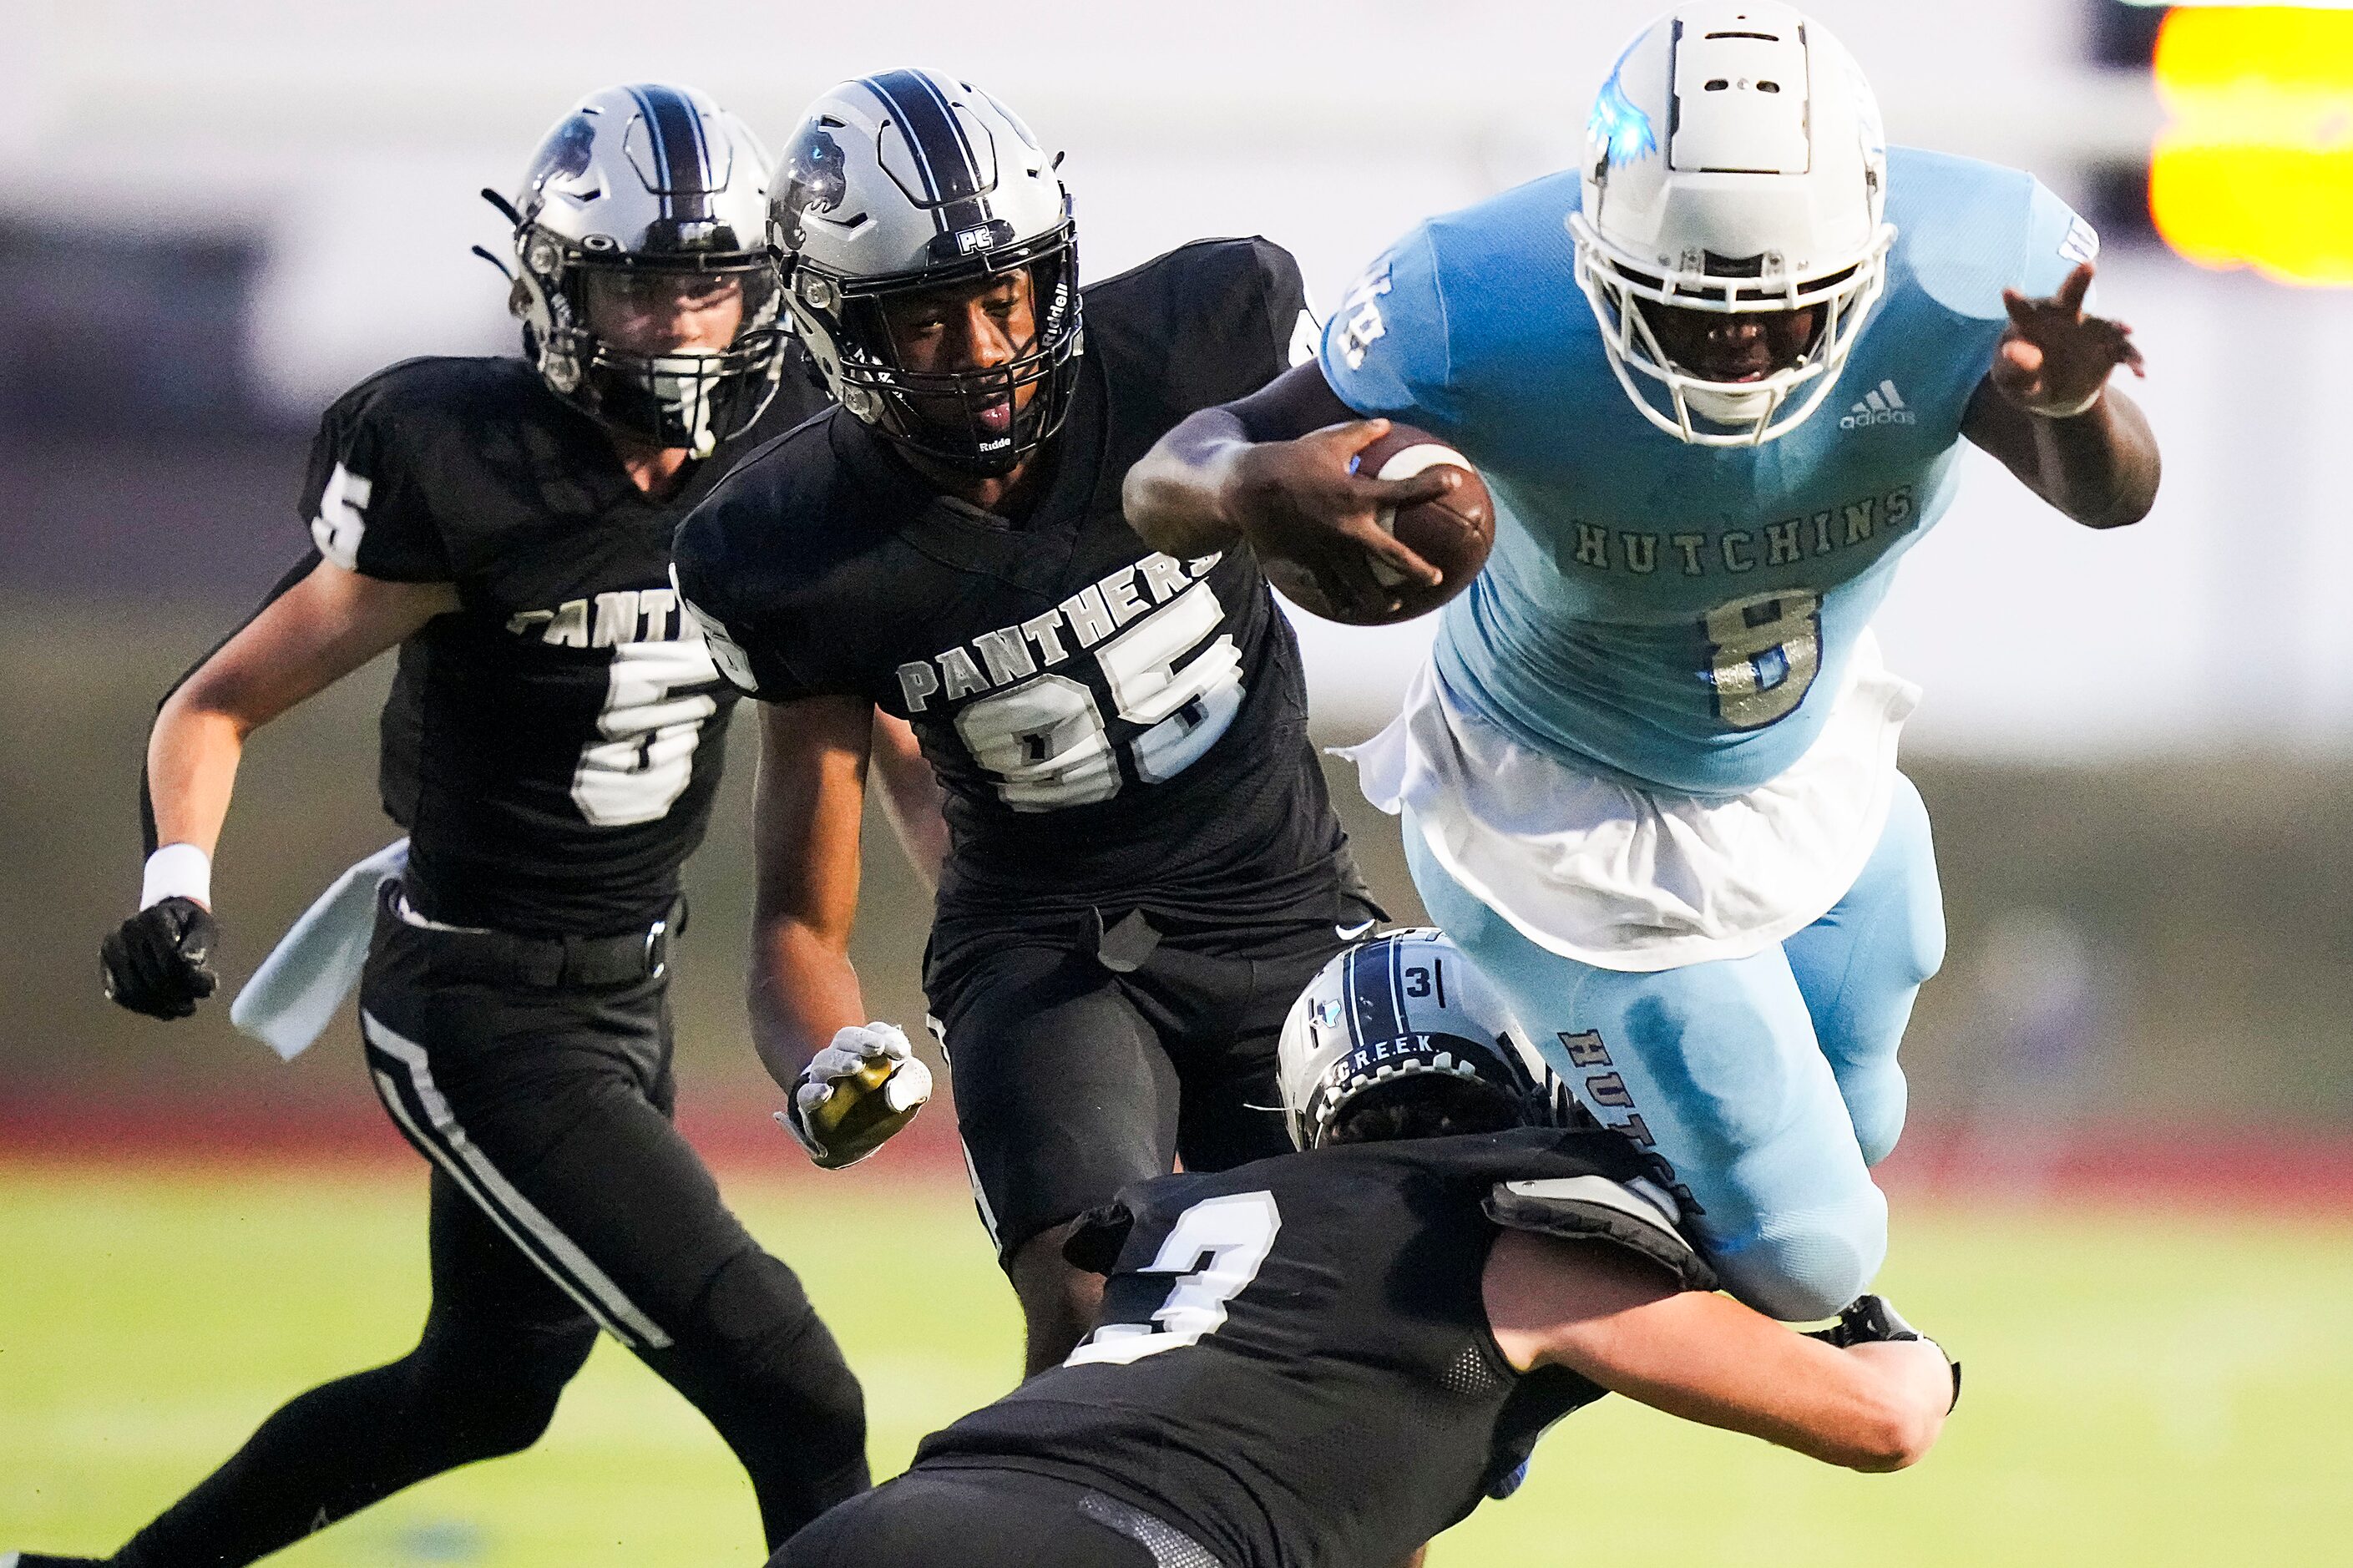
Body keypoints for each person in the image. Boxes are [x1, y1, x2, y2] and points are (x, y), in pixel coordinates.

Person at [1123, 0, 2161, 1322]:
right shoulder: (1476, 299)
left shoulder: (1962, 270)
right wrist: (1253, 479)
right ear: (1594, 251)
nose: (1733, 344)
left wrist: (2067, 405)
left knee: (1861, 1122)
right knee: (1807, 1257)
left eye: (1778, 313)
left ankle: (1545, 1065)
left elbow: (2111, 496)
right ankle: (1459, 1041)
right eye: (1684, 310)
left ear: (1861, 257)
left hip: (1806, 754)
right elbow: (1166, 474)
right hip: (1562, 808)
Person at [35, 85, 911, 1568]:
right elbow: (216, 703)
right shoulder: (466, 461)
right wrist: (176, 881)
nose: (684, 325)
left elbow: (884, 726)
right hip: (477, 999)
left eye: (710, 283)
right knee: (796, 1392)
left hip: (628, 984)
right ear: (557, 290)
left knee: (483, 1392)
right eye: (639, 287)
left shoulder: (790, 459)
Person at [671, 68, 1386, 1374]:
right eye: (928, 322)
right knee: (1087, 1299)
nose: (986, 350)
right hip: (1043, 950)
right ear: (837, 330)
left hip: (1280, 903)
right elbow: (792, 922)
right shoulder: (790, 550)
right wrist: (819, 1055)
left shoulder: (1193, 337)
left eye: (1003, 297)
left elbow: (1394, 434)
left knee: (1347, 1348)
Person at [771, 928, 1961, 1568]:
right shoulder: (1520, 1232)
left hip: (886, 1520)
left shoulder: (1202, 1210)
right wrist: (1904, 1347)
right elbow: (1878, 1421)